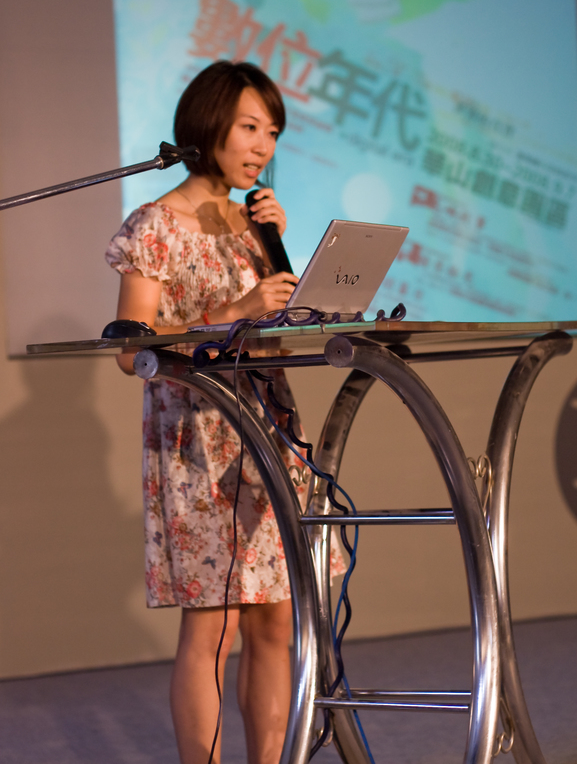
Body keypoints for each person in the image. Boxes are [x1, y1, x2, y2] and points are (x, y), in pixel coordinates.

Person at [105, 61, 344, 764]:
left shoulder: (252, 225)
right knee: (214, 629)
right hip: (196, 440)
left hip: (269, 431)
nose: (262, 145)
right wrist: (233, 310)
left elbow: (272, 329)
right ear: (208, 124)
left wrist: (281, 260)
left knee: (276, 621)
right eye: (249, 127)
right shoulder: (154, 225)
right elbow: (130, 349)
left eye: (272, 132)